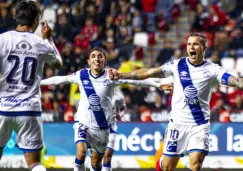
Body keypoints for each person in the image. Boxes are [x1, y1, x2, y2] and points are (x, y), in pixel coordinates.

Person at [108, 32, 243, 171]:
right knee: (167, 166)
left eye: (196, 44)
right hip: (178, 124)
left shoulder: (213, 69)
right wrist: (121, 75)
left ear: (204, 48)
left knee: (196, 163)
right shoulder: (177, 65)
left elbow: (235, 81)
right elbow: (149, 72)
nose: (191, 47)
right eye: (189, 44)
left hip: (200, 124)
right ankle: (160, 163)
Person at [40, 47, 172, 171]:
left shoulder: (111, 76)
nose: (96, 59)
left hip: (102, 127)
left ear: (105, 61)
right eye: (93, 56)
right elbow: (60, 79)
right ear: (89, 61)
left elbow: (136, 81)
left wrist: (158, 84)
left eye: (100, 56)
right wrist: (39, 82)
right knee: (80, 152)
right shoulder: (81, 75)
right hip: (83, 123)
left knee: (96, 163)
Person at [0, 1, 63, 171]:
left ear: (15, 16)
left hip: (2, 108)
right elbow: (58, 64)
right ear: (36, 20)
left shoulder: (2, 40)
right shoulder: (41, 43)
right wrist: (49, 38)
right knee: (34, 164)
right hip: (29, 110)